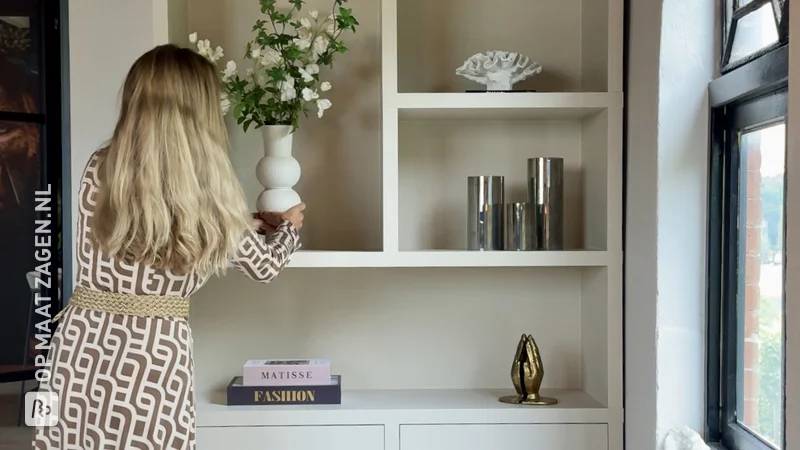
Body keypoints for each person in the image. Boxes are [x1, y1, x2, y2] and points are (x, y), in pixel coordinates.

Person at [32, 44, 305, 449]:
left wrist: (236, 224)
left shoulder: (100, 167)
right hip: (152, 358)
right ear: (202, 110)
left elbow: (142, 227)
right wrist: (290, 229)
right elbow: (263, 267)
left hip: (78, 346)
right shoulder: (211, 194)